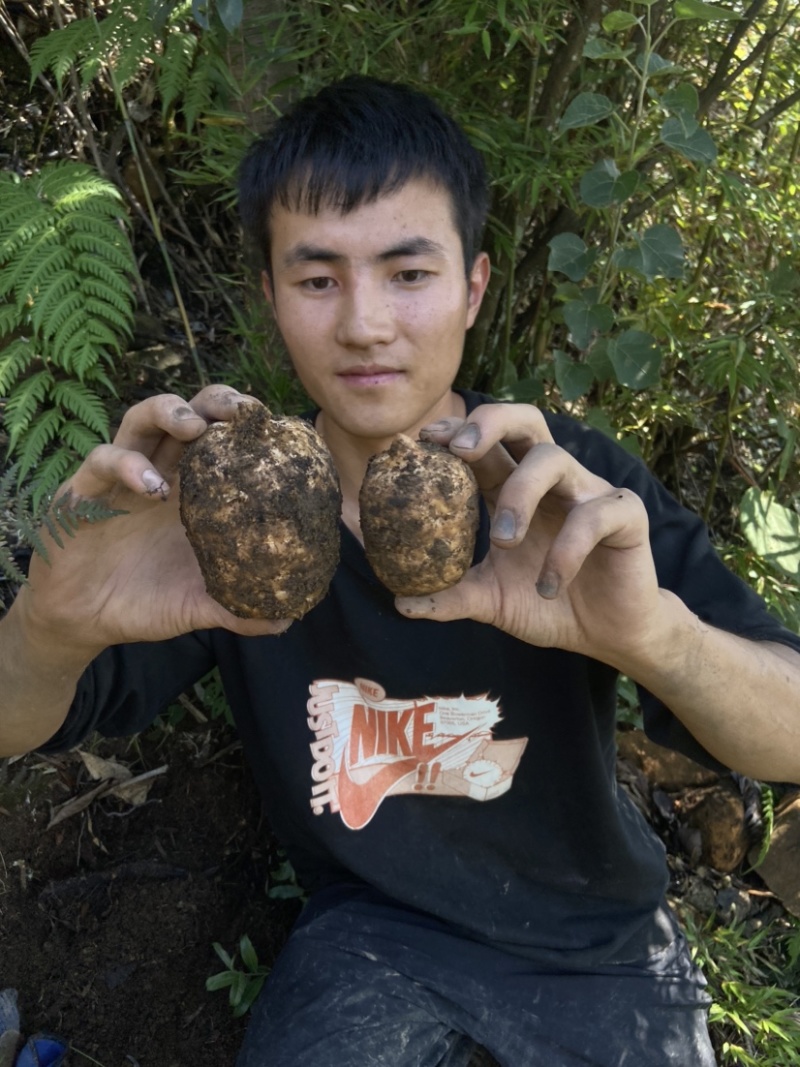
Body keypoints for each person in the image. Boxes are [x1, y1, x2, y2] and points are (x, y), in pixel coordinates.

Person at [1, 76, 799, 1067]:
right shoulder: (228, 510)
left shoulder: (564, 489)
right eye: (318, 277)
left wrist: (655, 638)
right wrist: (49, 623)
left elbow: (789, 732)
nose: (364, 324)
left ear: (472, 286)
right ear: (269, 294)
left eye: (406, 273)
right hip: (367, 935)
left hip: (595, 943)